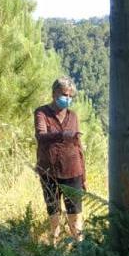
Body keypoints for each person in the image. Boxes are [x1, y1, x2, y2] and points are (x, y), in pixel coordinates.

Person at [34, 77, 85, 244]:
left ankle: (79, 248)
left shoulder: (73, 116)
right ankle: (53, 246)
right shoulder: (42, 113)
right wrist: (62, 135)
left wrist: (83, 176)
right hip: (49, 171)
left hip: (72, 170)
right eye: (64, 94)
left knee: (75, 213)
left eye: (71, 96)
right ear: (54, 93)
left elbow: (78, 146)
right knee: (53, 212)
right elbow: (41, 136)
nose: (67, 98)